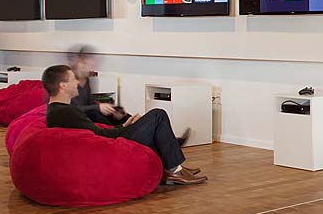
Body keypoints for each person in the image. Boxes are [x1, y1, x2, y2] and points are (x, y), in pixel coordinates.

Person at [42, 65, 207, 185]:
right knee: (157, 115)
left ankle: (175, 166)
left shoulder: (57, 110)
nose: (77, 83)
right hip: (110, 148)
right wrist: (125, 129)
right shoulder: (66, 112)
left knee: (150, 122)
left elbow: (94, 133)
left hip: (108, 142)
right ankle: (174, 170)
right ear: (62, 85)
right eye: (72, 80)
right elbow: (99, 136)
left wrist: (126, 125)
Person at [68, 45, 128, 126]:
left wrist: (112, 110)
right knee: (96, 114)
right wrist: (98, 107)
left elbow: (90, 103)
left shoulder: (87, 79)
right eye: (89, 65)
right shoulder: (67, 79)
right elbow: (69, 109)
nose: (92, 69)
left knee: (125, 117)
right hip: (75, 118)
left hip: (87, 115)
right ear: (80, 61)